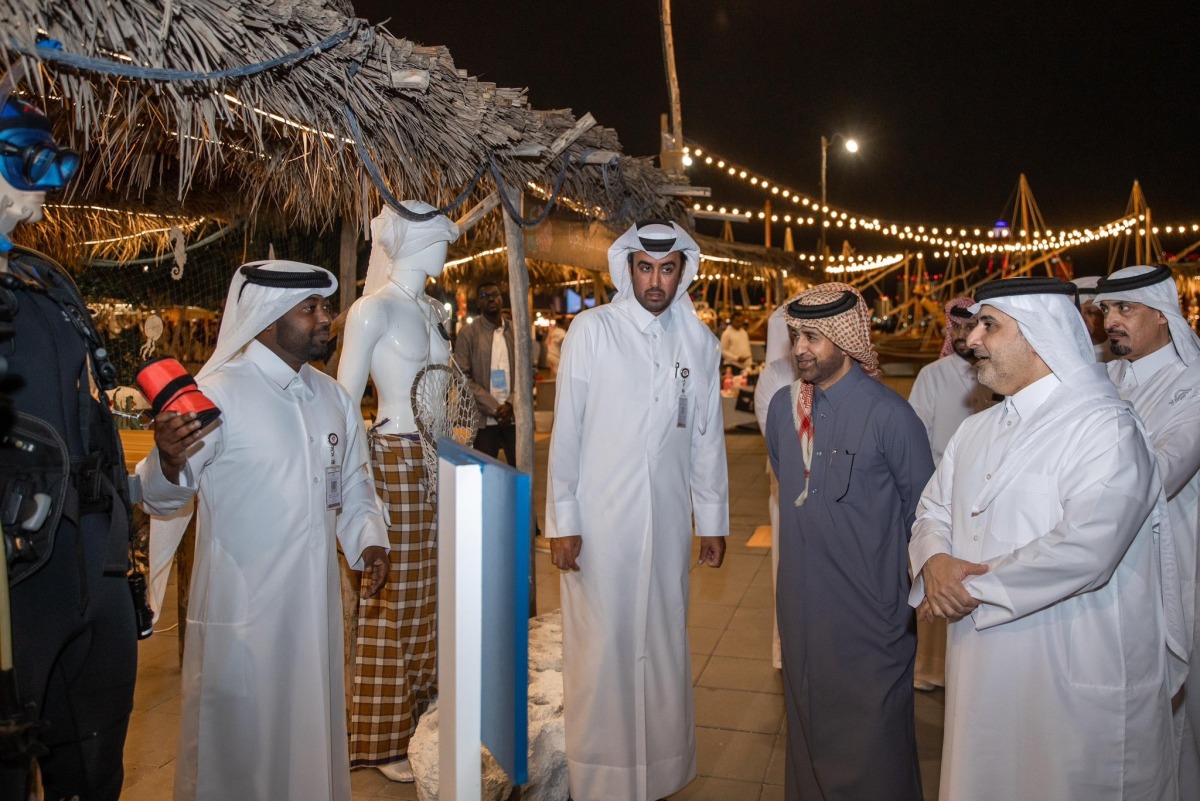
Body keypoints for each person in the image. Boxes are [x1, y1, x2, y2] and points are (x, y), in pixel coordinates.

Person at [909, 276, 1185, 801]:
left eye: (989, 325)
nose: (971, 340)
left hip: (1069, 665)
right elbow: (933, 507)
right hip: (980, 663)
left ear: (1038, 334)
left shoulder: (1104, 427)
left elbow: (1087, 547)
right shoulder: (977, 428)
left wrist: (968, 590)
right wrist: (935, 560)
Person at [139, 261, 391, 801]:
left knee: (309, 738)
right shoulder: (217, 394)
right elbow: (163, 497)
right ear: (269, 316)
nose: (326, 318)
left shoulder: (332, 397)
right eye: (312, 309)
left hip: (315, 612)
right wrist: (164, 460)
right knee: (239, 755)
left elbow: (352, 484)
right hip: (245, 617)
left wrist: (369, 539)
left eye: (325, 307)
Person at [546, 220, 728, 801]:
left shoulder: (699, 342)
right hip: (600, 526)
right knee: (603, 647)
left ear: (683, 271)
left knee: (664, 641)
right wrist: (563, 520)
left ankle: (663, 769)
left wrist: (713, 521)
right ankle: (601, 780)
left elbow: (707, 438)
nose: (656, 281)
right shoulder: (592, 331)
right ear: (628, 269)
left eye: (667, 268)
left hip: (670, 521)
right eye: (645, 268)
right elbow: (566, 431)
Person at [0, 91, 138, 801]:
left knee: (92, 757)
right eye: (27, 163)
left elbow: (94, 422)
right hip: (16, 578)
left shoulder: (44, 281)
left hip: (88, 558)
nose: (43, 192)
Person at [764, 283, 933, 801]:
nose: (799, 350)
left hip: (871, 616)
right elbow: (787, 477)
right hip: (800, 608)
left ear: (845, 338)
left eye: (812, 337)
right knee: (808, 722)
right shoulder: (781, 409)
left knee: (873, 740)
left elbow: (925, 516)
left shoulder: (891, 416)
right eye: (796, 336)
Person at [336, 201, 458, 782]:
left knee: (433, 588)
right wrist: (359, 486)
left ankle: (424, 706)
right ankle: (383, 734)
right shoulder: (370, 311)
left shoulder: (428, 311)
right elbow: (343, 399)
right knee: (392, 594)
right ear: (408, 244)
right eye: (437, 237)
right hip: (392, 457)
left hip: (436, 460)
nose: (445, 246)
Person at [1095, 264, 1200, 794]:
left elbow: (1161, 473)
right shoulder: (1100, 379)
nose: (1111, 320)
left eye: (1125, 308)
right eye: (1106, 311)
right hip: (1111, 573)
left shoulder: (1193, 382)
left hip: (1181, 569)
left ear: (1163, 315)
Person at [906, 297, 997, 692]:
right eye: (956, 328)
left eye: (971, 327)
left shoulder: (998, 372)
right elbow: (916, 440)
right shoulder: (933, 374)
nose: (963, 336)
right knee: (937, 576)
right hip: (941, 499)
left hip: (988, 501)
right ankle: (929, 671)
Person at [753, 300, 798, 670]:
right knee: (788, 571)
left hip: (840, 499)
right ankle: (787, 651)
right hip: (786, 491)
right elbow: (776, 439)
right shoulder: (774, 376)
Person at [454, 281, 519, 465]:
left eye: (495, 294)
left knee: (520, 473)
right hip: (484, 420)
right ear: (477, 303)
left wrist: (511, 404)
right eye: (485, 296)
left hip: (514, 418)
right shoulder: (469, 334)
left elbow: (527, 373)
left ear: (501, 299)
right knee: (486, 476)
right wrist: (494, 408)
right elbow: (461, 376)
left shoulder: (516, 331)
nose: (491, 298)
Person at [1071, 275, 1118, 362]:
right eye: (1076, 312)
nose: (1081, 319)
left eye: (1091, 312)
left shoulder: (1122, 355)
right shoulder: (1067, 354)